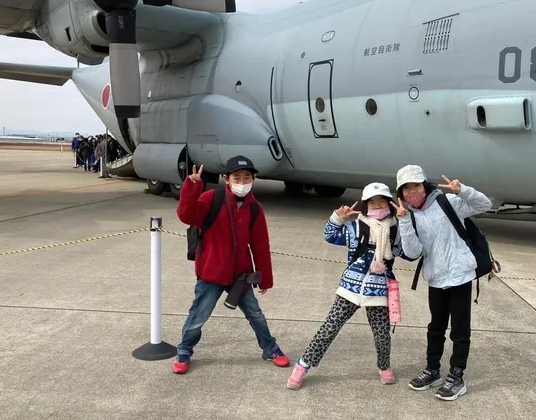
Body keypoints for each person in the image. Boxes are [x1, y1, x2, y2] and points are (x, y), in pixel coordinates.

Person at [287, 182, 414, 390]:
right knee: (329, 328)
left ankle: (384, 366)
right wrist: (337, 218)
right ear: (365, 206)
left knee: (382, 334)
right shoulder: (355, 227)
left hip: (379, 290)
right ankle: (303, 365)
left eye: (382, 201)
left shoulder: (395, 230)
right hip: (349, 288)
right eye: (372, 203)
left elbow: (410, 254)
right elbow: (329, 235)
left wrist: (406, 222)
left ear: (390, 204)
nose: (377, 206)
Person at [173, 155, 289, 374]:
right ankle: (184, 351)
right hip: (212, 273)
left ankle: (270, 348)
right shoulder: (211, 198)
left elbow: (260, 245)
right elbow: (186, 215)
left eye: (247, 178)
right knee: (198, 316)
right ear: (226, 178)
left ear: (253, 180)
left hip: (241, 275)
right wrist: (192, 186)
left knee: (255, 315)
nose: (242, 182)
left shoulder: (254, 208)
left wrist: (265, 278)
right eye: (237, 177)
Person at [391, 165, 492, 401]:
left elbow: (484, 205)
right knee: (435, 327)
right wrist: (404, 222)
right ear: (401, 194)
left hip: (460, 275)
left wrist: (462, 191)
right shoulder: (410, 216)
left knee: (459, 329)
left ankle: (457, 376)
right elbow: (413, 252)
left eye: (416, 185)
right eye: (406, 188)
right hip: (435, 277)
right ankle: (433, 370)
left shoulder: (448, 203)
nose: (412, 191)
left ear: (424, 185)